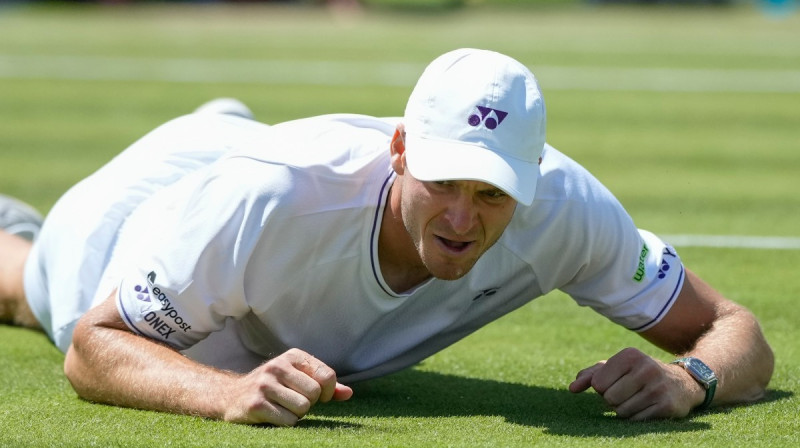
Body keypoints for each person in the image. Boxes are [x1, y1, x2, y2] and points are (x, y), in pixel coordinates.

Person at [0, 48, 773, 426]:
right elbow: (93, 347)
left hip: (243, 175)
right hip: (124, 225)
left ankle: (218, 124)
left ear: (533, 174)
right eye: (441, 182)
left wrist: (691, 380)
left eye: (492, 191)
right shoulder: (273, 195)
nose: (463, 220)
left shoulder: (565, 205)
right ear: (400, 151)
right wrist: (225, 390)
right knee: (29, 292)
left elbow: (735, 330)